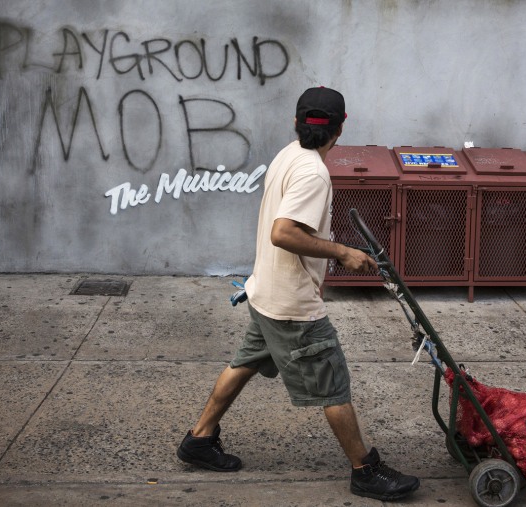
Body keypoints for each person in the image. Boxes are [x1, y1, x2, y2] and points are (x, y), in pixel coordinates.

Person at [176, 87, 420, 501]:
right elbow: (283, 232)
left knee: (245, 362)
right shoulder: (313, 172)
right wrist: (343, 252)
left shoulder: (289, 154)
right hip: (291, 304)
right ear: (342, 128)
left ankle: (199, 439)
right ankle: (365, 469)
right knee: (332, 382)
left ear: (296, 122)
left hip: (266, 292)